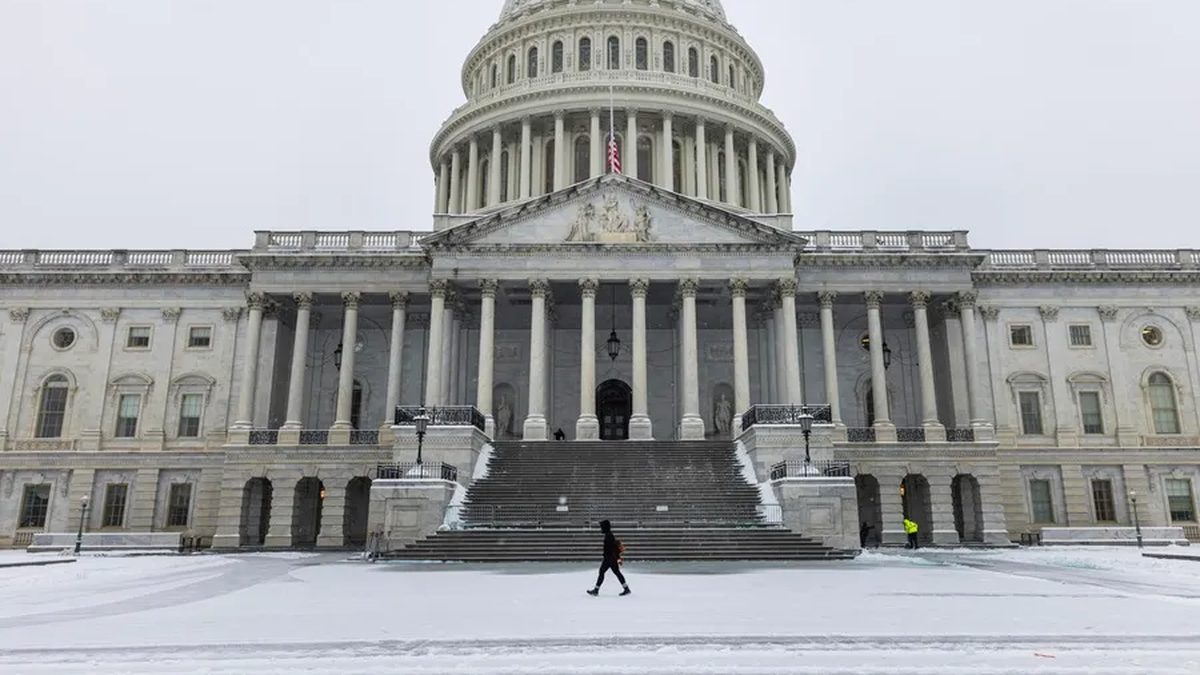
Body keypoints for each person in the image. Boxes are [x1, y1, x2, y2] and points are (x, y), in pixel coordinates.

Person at [587, 520, 631, 597]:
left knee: (602, 572)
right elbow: (614, 548)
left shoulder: (609, 536)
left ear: (605, 527)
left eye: (602, 527)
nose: (601, 529)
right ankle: (626, 588)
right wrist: (618, 558)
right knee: (617, 573)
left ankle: (596, 590)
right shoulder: (609, 535)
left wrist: (617, 558)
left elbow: (613, 548)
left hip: (609, 559)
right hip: (611, 558)